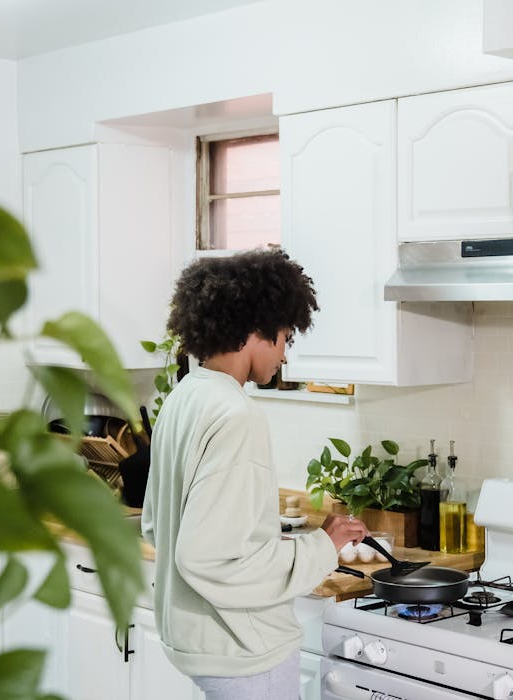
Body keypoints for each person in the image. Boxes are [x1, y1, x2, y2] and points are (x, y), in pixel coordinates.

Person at [141, 248, 368, 700]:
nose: (285, 353)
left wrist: (270, 542)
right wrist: (323, 547)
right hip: (245, 652)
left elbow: (157, 523)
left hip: (197, 641)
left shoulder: (186, 396)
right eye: (284, 336)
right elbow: (207, 557)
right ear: (254, 330)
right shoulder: (235, 414)